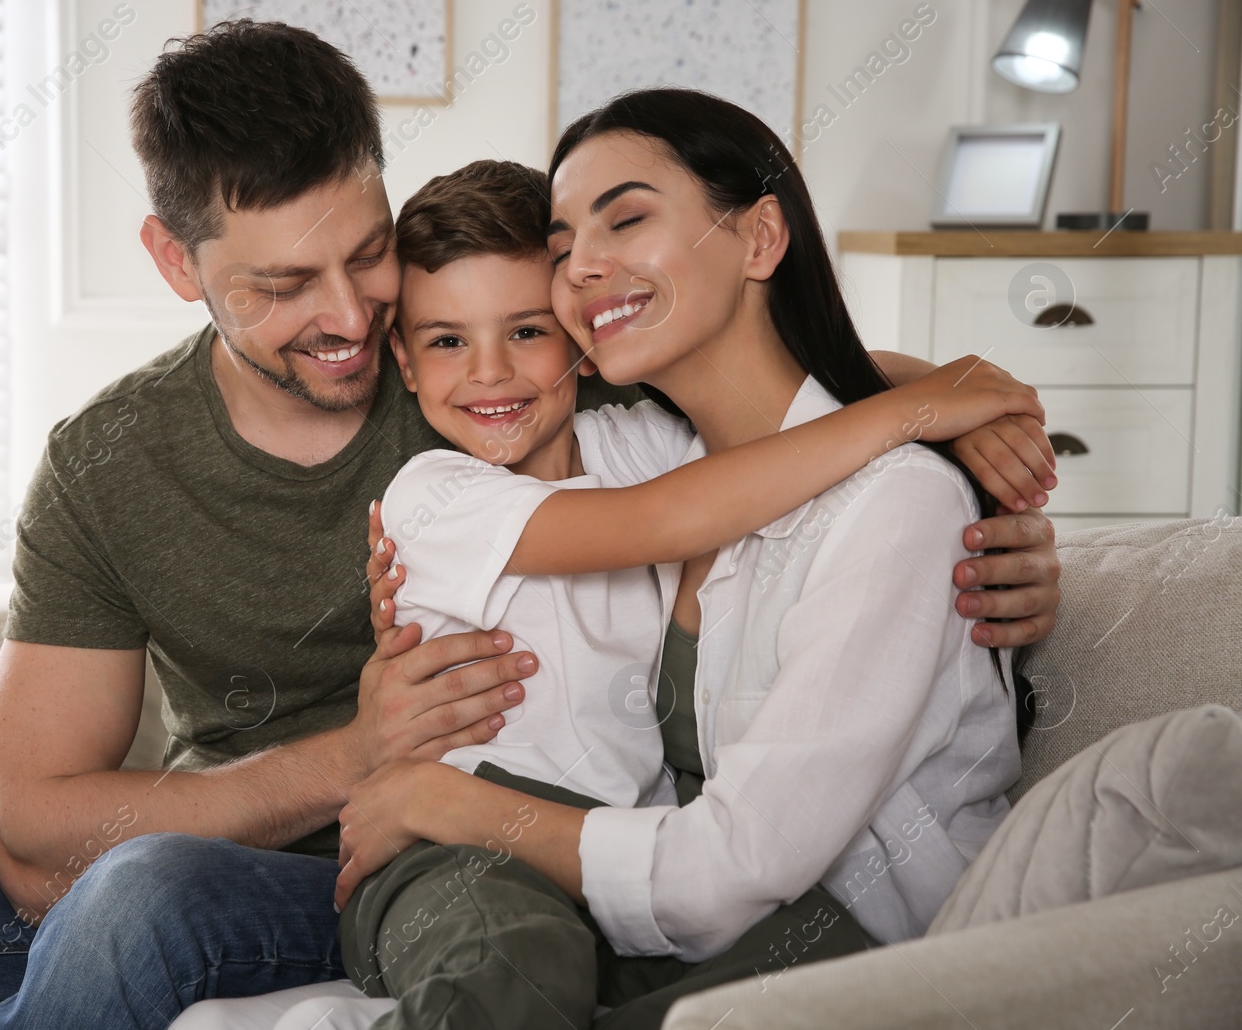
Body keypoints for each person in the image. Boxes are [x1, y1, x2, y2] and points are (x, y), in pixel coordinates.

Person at [0, 26, 1062, 1030]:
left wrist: (940, 419)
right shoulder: (113, 461)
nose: (350, 320)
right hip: (279, 824)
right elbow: (36, 819)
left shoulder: (482, 388)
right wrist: (354, 750)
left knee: (144, 895)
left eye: (364, 256)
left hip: (416, 856)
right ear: (177, 263)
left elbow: (718, 371)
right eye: (285, 284)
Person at [336, 88, 1053, 1030]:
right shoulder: (647, 463)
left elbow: (733, 863)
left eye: (625, 217)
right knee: (515, 976)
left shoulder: (870, 495)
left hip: (816, 929)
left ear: (760, 239)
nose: (583, 269)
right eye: (563, 252)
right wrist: (931, 396)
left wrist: (952, 403)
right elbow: (686, 503)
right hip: (615, 892)